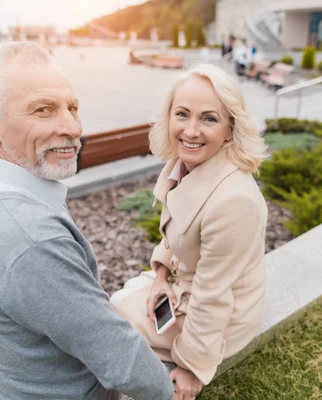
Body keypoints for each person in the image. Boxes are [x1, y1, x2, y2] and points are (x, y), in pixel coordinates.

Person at [0, 41, 174, 400]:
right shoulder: (29, 238)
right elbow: (125, 363)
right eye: (43, 110)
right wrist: (167, 390)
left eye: (72, 107)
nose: (72, 127)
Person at [111, 64, 268, 400]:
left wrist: (192, 365)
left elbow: (214, 296)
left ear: (230, 129)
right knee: (120, 302)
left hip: (221, 319)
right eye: (182, 114)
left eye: (209, 118)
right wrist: (160, 277)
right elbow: (173, 235)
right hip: (183, 286)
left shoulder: (234, 201)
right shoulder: (187, 164)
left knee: (113, 320)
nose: (191, 130)